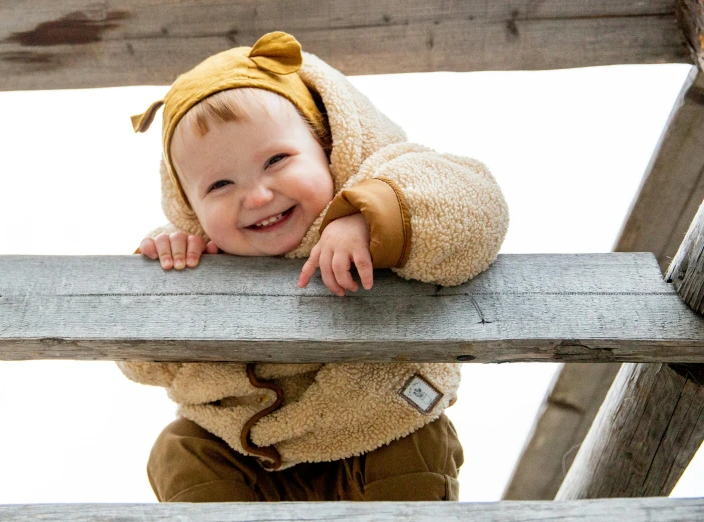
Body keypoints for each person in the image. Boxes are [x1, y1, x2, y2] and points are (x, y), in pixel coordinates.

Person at [119, 31, 509, 502]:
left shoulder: (385, 181)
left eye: (277, 160)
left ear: (328, 146)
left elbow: (475, 206)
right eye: (219, 184)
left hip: (379, 426)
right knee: (177, 449)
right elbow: (141, 366)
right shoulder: (199, 252)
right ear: (189, 206)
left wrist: (369, 218)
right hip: (249, 455)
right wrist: (167, 277)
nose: (257, 196)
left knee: (415, 444)